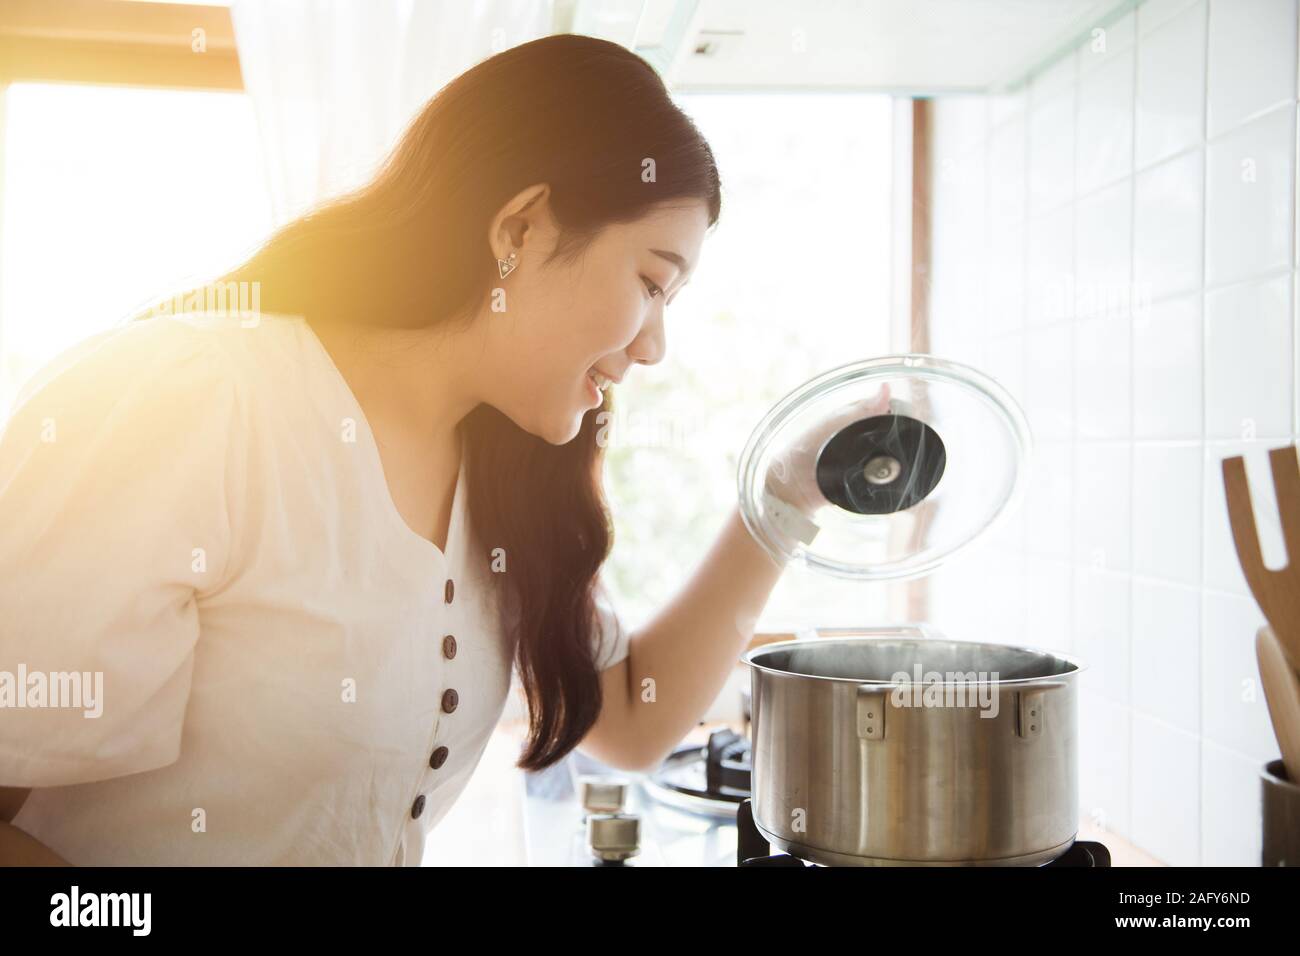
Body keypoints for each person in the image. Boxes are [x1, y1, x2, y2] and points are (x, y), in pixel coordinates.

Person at [0, 34, 854, 866]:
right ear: (520, 227)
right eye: (651, 283)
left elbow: (632, 712)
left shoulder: (505, 469)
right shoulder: (193, 399)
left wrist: (785, 495)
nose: (654, 346)